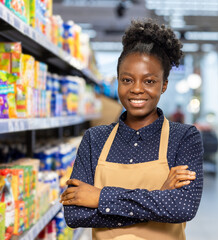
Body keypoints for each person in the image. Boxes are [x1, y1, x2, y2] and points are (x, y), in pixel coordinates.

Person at [60, 19, 203, 240]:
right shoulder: (94, 139)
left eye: (149, 81)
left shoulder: (183, 137)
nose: (136, 89)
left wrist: (100, 198)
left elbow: (182, 208)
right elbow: (75, 214)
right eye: (127, 80)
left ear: (163, 84)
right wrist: (159, 197)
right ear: (117, 81)